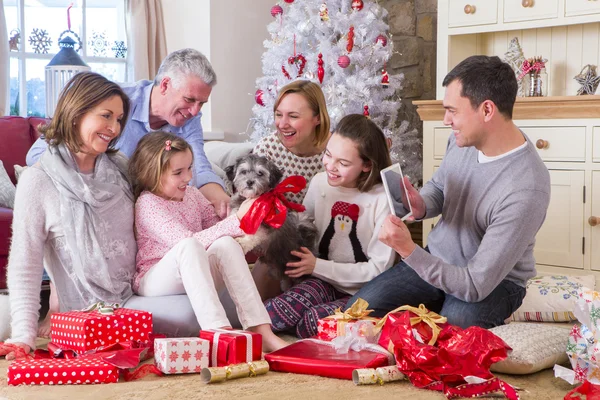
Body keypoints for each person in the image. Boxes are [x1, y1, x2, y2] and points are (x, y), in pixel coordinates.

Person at [347, 55, 551, 329]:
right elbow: (442, 186)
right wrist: (420, 205)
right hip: (439, 259)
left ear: (487, 110)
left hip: (491, 282)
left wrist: (408, 250)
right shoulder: (463, 139)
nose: (446, 120)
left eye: (453, 111)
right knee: (357, 312)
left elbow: (475, 284)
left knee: (457, 325)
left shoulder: (526, 187)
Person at [0, 72, 135, 359]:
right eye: (106, 116)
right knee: (190, 315)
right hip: (89, 314)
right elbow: (26, 261)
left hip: (141, 292)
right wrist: (24, 334)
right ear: (76, 114)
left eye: (119, 119)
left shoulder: (121, 168)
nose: (114, 127)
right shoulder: (38, 181)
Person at [128, 132, 288, 352]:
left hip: (193, 268)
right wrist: (237, 220)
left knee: (225, 244)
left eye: (190, 169)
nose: (188, 177)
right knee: (190, 245)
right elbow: (188, 242)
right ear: (153, 174)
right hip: (155, 278)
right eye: (178, 172)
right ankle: (217, 331)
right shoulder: (148, 204)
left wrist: (251, 209)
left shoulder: (192, 195)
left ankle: (261, 330)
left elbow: (217, 232)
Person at [26, 48, 230, 216]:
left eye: (202, 103)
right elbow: (38, 153)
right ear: (166, 84)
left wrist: (220, 199)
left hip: (149, 206)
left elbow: (199, 167)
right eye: (189, 100)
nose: (195, 111)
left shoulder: (190, 118)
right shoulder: (114, 101)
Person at [265, 114, 396, 338]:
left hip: (361, 291)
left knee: (312, 323)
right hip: (321, 280)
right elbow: (303, 229)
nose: (330, 166)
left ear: (366, 165)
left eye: (343, 163)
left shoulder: (382, 199)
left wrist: (316, 266)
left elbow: (378, 270)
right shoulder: (319, 182)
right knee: (273, 313)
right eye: (328, 155)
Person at [252, 80, 331, 300]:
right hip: (280, 237)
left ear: (317, 118)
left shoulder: (334, 151)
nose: (282, 124)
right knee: (273, 254)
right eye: (279, 114)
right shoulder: (267, 149)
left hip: (327, 238)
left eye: (293, 116)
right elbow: (255, 207)